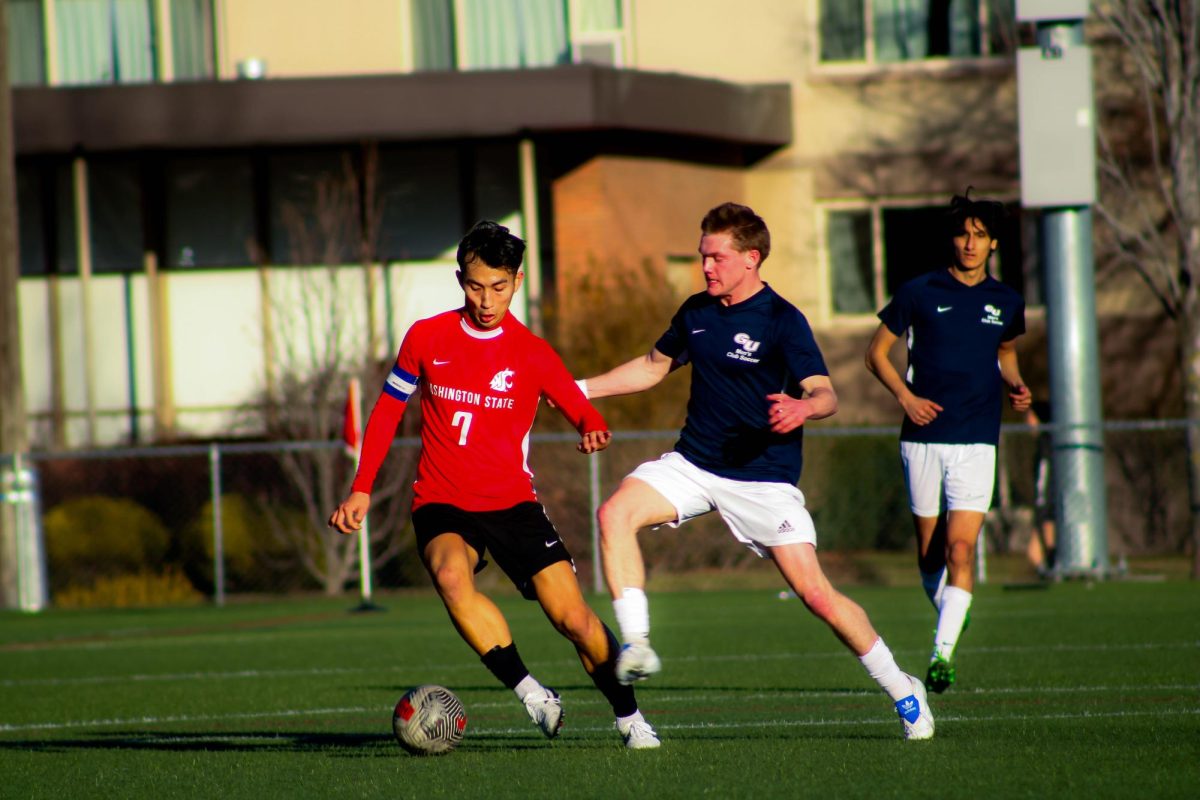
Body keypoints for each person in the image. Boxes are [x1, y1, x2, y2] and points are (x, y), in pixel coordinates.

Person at [577, 202, 934, 741]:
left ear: (751, 258)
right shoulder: (696, 311)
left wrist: (802, 408)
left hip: (764, 480)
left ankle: (903, 690)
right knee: (614, 513)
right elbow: (652, 368)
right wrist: (575, 390)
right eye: (702, 257)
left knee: (816, 595)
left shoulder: (782, 320)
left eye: (716, 257)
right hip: (694, 465)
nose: (706, 267)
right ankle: (638, 643)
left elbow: (827, 393)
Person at [328, 221, 660, 750]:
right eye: (475, 285)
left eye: (499, 286)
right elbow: (388, 411)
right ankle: (532, 693)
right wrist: (361, 487)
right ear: (460, 278)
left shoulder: (531, 352)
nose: (486, 299)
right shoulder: (426, 337)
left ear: (518, 280)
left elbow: (575, 404)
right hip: (441, 500)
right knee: (451, 578)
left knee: (572, 618)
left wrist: (591, 425)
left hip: (512, 505)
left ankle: (630, 718)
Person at [865, 190, 1032, 694]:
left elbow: (1005, 354)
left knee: (962, 550)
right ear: (952, 239)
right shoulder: (919, 291)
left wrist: (1016, 386)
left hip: (978, 439)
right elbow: (876, 354)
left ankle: (942, 655)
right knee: (929, 555)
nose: (970, 243)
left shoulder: (1007, 301)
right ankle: (953, 614)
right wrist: (906, 397)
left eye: (980, 236)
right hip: (922, 438)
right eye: (963, 234)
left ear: (994, 244)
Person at [1025, 400, 1056, 577]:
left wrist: (1042, 512)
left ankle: (1052, 568)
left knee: (1035, 554)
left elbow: (1043, 488)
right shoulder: (1042, 446)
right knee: (1033, 555)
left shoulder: (1046, 448)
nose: (1028, 422)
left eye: (1030, 416)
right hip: (1045, 514)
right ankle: (1049, 571)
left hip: (1047, 514)